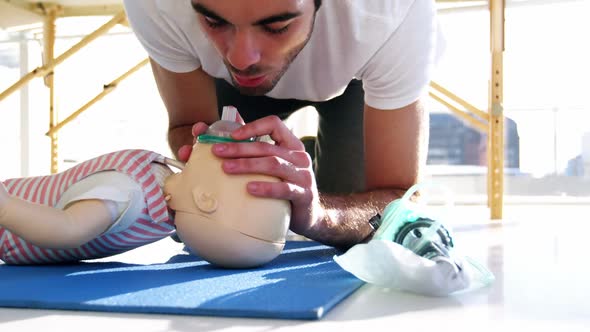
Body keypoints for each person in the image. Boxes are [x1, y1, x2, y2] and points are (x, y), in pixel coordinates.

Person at [122, 0, 444, 249]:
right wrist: (205, 165)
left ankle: (299, 159)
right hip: (224, 83)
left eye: (277, 26)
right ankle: (287, 156)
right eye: (213, 21)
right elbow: (186, 124)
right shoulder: (156, 5)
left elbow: (400, 199)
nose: (241, 58)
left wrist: (321, 214)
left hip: (355, 81)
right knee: (218, 213)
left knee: (356, 231)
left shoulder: (393, 13)